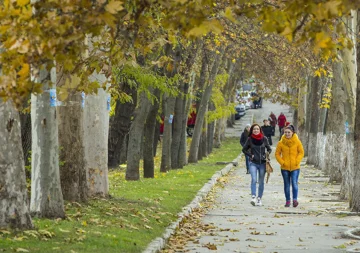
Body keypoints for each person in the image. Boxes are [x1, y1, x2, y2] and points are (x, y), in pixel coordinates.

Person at [242, 124, 272, 206]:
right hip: (253, 163)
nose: (256, 130)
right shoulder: (249, 139)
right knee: (254, 179)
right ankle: (253, 196)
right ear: (252, 130)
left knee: (261, 181)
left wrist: (266, 154)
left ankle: (259, 198)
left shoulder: (264, 139)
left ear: (260, 130)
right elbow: (244, 149)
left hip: (262, 163)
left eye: (257, 129)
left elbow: (269, 149)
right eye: (254, 129)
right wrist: (250, 155)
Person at [275, 125, 304, 207]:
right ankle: (288, 200)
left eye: (289, 132)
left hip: (295, 167)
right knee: (286, 184)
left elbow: (301, 152)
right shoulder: (281, 143)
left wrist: (297, 161)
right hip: (285, 167)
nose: (287, 134)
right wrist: (282, 162)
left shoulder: (297, 141)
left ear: (292, 133)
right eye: (285, 132)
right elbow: (277, 154)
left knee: (294, 183)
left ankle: (295, 200)